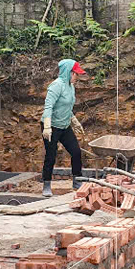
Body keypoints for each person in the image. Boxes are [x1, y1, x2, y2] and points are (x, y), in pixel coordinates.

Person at [41, 59, 87, 197]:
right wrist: (47, 127)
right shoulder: (56, 86)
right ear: (68, 72)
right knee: (51, 155)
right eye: (75, 74)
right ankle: (47, 184)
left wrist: (75, 122)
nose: (77, 77)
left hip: (65, 125)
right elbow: (48, 107)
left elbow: (66, 107)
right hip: (52, 126)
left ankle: (76, 180)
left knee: (76, 152)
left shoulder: (70, 86)